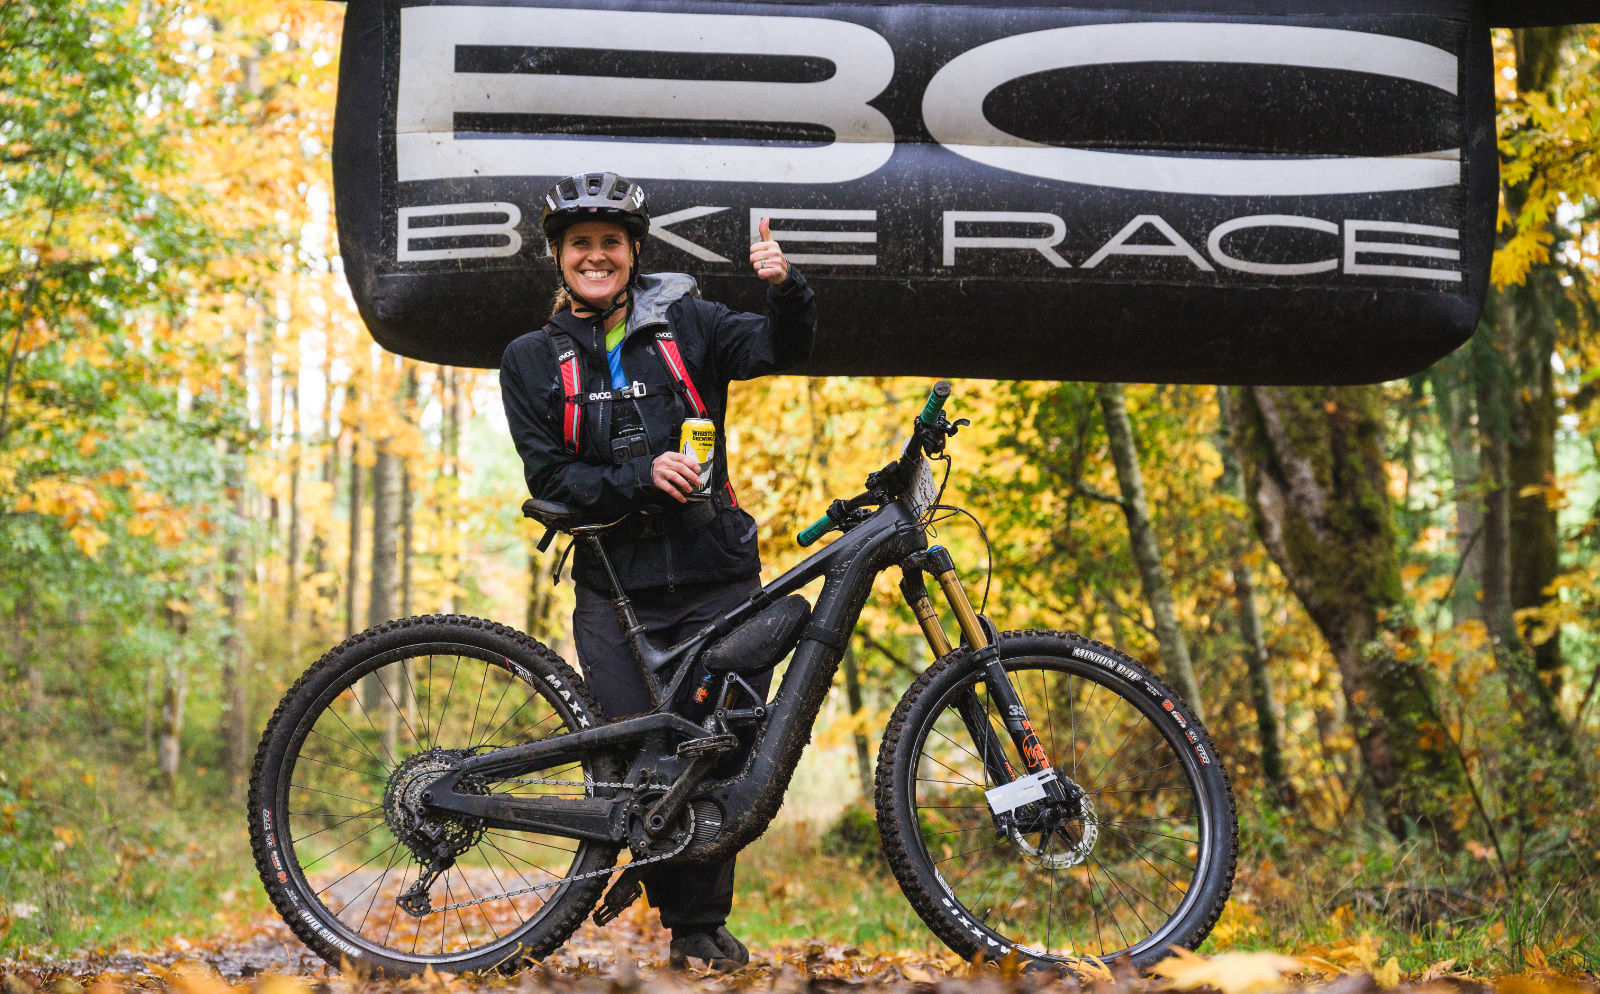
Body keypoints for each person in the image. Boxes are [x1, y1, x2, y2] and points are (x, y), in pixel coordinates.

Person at [499, 171, 816, 972]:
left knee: (722, 749)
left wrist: (786, 290)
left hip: (716, 575)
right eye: (581, 245)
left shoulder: (691, 326)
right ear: (560, 258)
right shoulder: (530, 360)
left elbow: (782, 348)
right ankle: (659, 906)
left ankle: (699, 931)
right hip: (615, 588)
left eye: (611, 243)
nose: (596, 256)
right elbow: (550, 482)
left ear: (634, 253)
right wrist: (642, 478)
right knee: (642, 769)